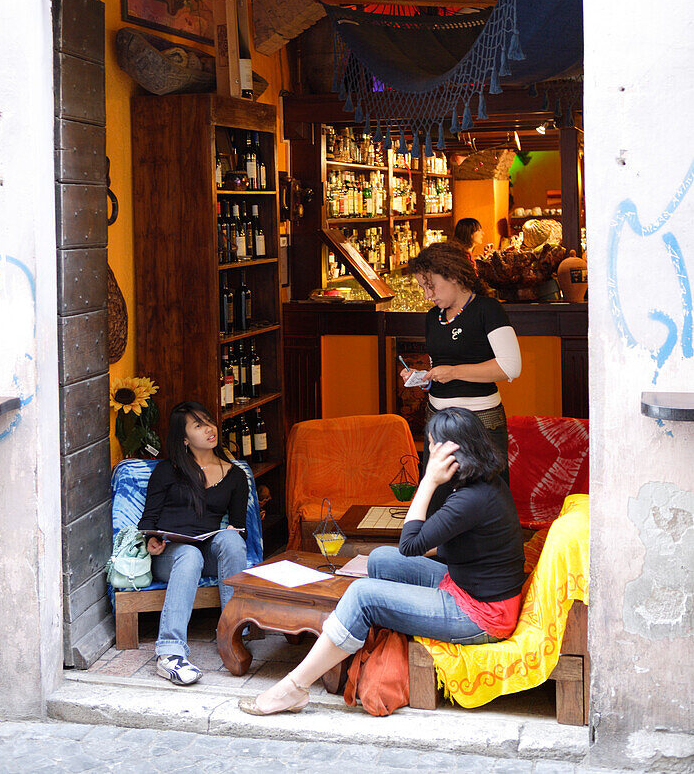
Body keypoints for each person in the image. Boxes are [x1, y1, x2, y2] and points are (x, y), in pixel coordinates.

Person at [239, 407, 525, 716]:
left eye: (431, 446)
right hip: (465, 586)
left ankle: (294, 687)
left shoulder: (471, 499)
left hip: (480, 616)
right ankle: (351, 629)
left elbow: (411, 543)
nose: (428, 452)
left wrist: (428, 481)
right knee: (380, 559)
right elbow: (425, 546)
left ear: (448, 453)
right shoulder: (484, 484)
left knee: (363, 595)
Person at [139, 401, 248, 686]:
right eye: (198, 425)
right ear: (185, 438)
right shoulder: (167, 470)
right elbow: (148, 519)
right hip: (171, 555)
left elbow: (239, 526)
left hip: (207, 550)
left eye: (208, 421)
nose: (209, 429)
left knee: (230, 540)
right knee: (188, 554)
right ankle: (170, 654)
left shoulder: (235, 475)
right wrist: (152, 540)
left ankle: (232, 633)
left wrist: (236, 532)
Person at [403, 241, 521, 490]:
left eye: (431, 286)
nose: (427, 295)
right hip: (438, 421)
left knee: (484, 502)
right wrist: (423, 376)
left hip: (481, 423)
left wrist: (454, 372)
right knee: (438, 501)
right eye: (422, 288)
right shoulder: (432, 317)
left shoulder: (488, 309)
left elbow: (510, 366)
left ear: (454, 276)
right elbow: (441, 366)